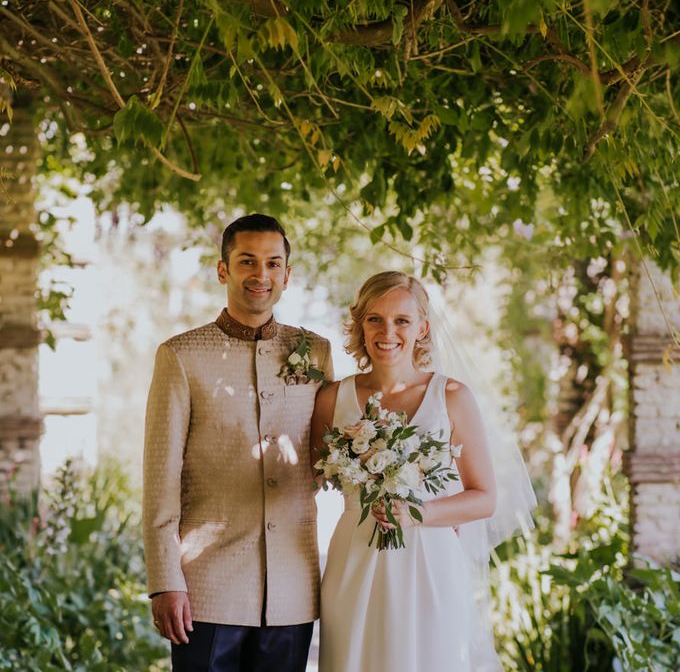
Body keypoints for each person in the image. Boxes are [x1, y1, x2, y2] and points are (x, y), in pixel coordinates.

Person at [142, 213, 333, 672]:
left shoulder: (317, 352)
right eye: (247, 262)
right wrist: (164, 581)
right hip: (206, 589)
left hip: (292, 588)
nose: (260, 275)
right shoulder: (180, 356)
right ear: (223, 270)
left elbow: (331, 454)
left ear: (287, 273)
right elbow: (159, 478)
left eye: (272, 263)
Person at [312, 271, 523, 672]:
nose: (387, 331)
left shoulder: (452, 397)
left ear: (422, 328)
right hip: (354, 558)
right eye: (374, 318)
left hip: (430, 562)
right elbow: (307, 478)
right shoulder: (331, 399)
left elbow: (485, 497)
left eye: (401, 321)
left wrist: (418, 513)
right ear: (359, 324)